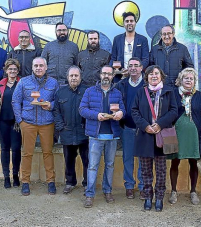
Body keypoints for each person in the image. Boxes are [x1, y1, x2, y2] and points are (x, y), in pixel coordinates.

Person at [132, 65, 178, 212]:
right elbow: (134, 111)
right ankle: (147, 197)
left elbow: (174, 111)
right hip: (145, 136)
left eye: (156, 73)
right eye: (151, 74)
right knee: (145, 171)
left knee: (161, 171)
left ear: (161, 76)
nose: (154, 76)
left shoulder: (169, 92)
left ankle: (159, 198)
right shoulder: (141, 92)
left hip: (162, 136)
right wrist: (146, 126)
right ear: (146, 77)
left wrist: (160, 124)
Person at [79, 65, 126, 208]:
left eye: (109, 74)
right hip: (95, 135)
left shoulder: (117, 93)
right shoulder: (89, 91)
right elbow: (82, 109)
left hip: (112, 135)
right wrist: (96, 116)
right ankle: (90, 194)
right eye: (104, 73)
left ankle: (108, 191)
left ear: (112, 76)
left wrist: (121, 114)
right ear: (100, 75)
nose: (106, 76)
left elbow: (123, 109)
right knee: (92, 166)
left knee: (110, 165)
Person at [12, 57, 59, 196]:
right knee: (27, 153)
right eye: (36, 66)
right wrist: (20, 120)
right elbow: (15, 101)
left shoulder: (53, 82)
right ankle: (25, 182)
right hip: (28, 122)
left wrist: (51, 105)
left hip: (47, 123)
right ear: (32, 67)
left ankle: (51, 181)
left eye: (41, 66)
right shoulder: (24, 82)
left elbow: (58, 100)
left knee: (48, 153)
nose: (38, 68)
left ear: (46, 68)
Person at [168, 68, 201, 205]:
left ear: (194, 81)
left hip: (195, 134)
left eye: (191, 78)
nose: (188, 80)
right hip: (175, 134)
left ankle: (193, 191)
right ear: (181, 80)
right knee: (175, 162)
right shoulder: (173, 94)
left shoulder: (199, 96)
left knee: (193, 162)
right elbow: (167, 112)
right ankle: (174, 191)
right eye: (185, 78)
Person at [53, 66, 89, 194]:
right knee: (68, 159)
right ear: (67, 77)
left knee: (87, 160)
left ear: (80, 77)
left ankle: (87, 184)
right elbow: (56, 111)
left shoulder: (87, 91)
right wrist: (60, 127)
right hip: (66, 131)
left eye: (76, 76)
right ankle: (70, 182)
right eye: (71, 76)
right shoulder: (60, 92)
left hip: (84, 132)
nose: (74, 78)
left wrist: (88, 127)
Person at [115, 57, 144, 199]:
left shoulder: (147, 83)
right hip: (127, 127)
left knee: (143, 158)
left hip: (144, 128)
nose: (133, 68)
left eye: (136, 65)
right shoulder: (122, 84)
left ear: (141, 67)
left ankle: (143, 185)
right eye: (130, 65)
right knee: (128, 158)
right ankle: (129, 185)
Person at [0, 59, 22, 189]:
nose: (12, 71)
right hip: (3, 120)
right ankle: (6, 177)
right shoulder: (0, 84)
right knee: (5, 149)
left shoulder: (21, 83)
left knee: (16, 149)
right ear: (6, 71)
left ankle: (16, 175)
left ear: (18, 71)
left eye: (15, 69)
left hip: (17, 121)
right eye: (10, 69)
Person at [110, 12, 149, 82]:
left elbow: (145, 59)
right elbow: (113, 58)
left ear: (135, 23)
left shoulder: (143, 39)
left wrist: (133, 70)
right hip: (119, 77)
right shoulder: (117, 39)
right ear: (124, 24)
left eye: (131, 21)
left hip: (138, 77)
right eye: (127, 21)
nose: (129, 23)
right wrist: (111, 71)